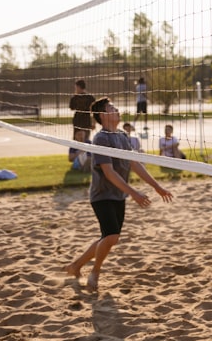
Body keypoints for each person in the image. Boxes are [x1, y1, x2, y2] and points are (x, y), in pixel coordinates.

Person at [65, 97, 173, 291]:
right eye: (112, 108)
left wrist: (156, 187)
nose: (117, 110)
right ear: (103, 115)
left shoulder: (122, 136)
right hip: (102, 195)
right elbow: (109, 172)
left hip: (118, 195)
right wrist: (134, 193)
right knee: (112, 236)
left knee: (107, 238)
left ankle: (75, 266)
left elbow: (134, 164)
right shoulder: (101, 139)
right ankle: (95, 272)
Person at [68, 79, 96, 169]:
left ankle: (84, 161)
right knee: (82, 141)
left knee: (82, 142)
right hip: (83, 122)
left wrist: (93, 123)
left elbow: (94, 111)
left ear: (79, 87)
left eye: (76, 87)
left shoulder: (76, 98)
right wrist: (94, 123)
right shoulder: (89, 97)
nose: (75, 89)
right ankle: (80, 161)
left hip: (81, 121)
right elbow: (94, 112)